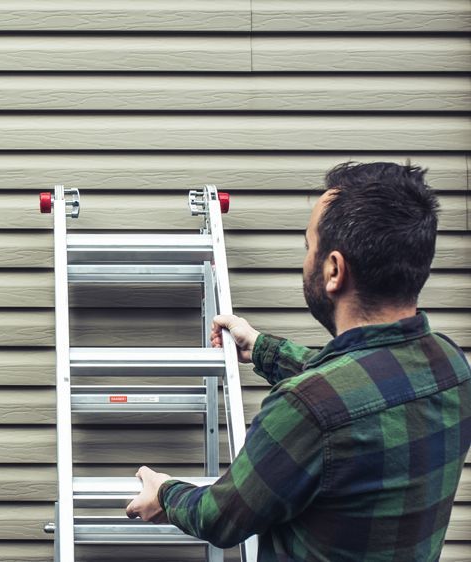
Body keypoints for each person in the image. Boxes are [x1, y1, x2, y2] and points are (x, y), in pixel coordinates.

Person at [125, 162, 471, 560]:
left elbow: (220, 516)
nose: (306, 259)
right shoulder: (449, 365)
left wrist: (165, 494)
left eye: (309, 247)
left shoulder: (305, 410)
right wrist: (262, 348)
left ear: (334, 270)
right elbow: (363, 384)